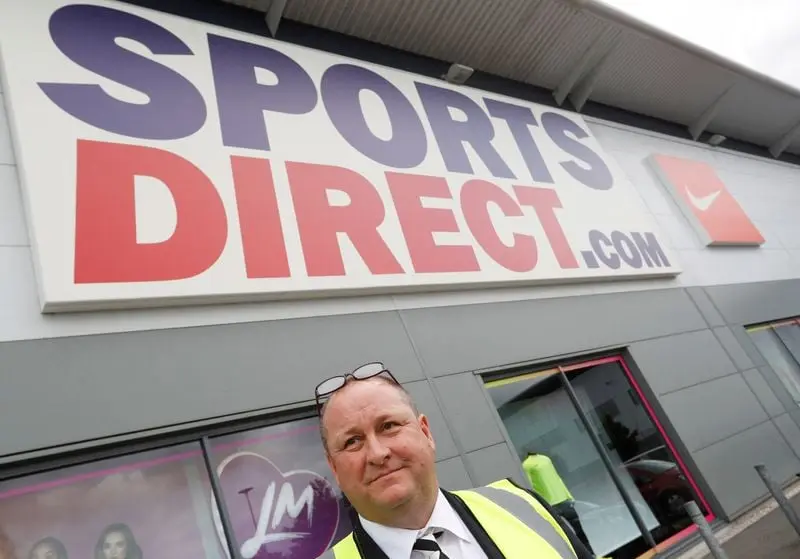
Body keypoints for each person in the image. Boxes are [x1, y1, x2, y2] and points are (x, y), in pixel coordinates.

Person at [315, 362, 594, 559]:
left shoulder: (524, 506)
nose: (377, 453)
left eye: (388, 426)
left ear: (425, 432)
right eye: (352, 442)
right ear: (334, 468)